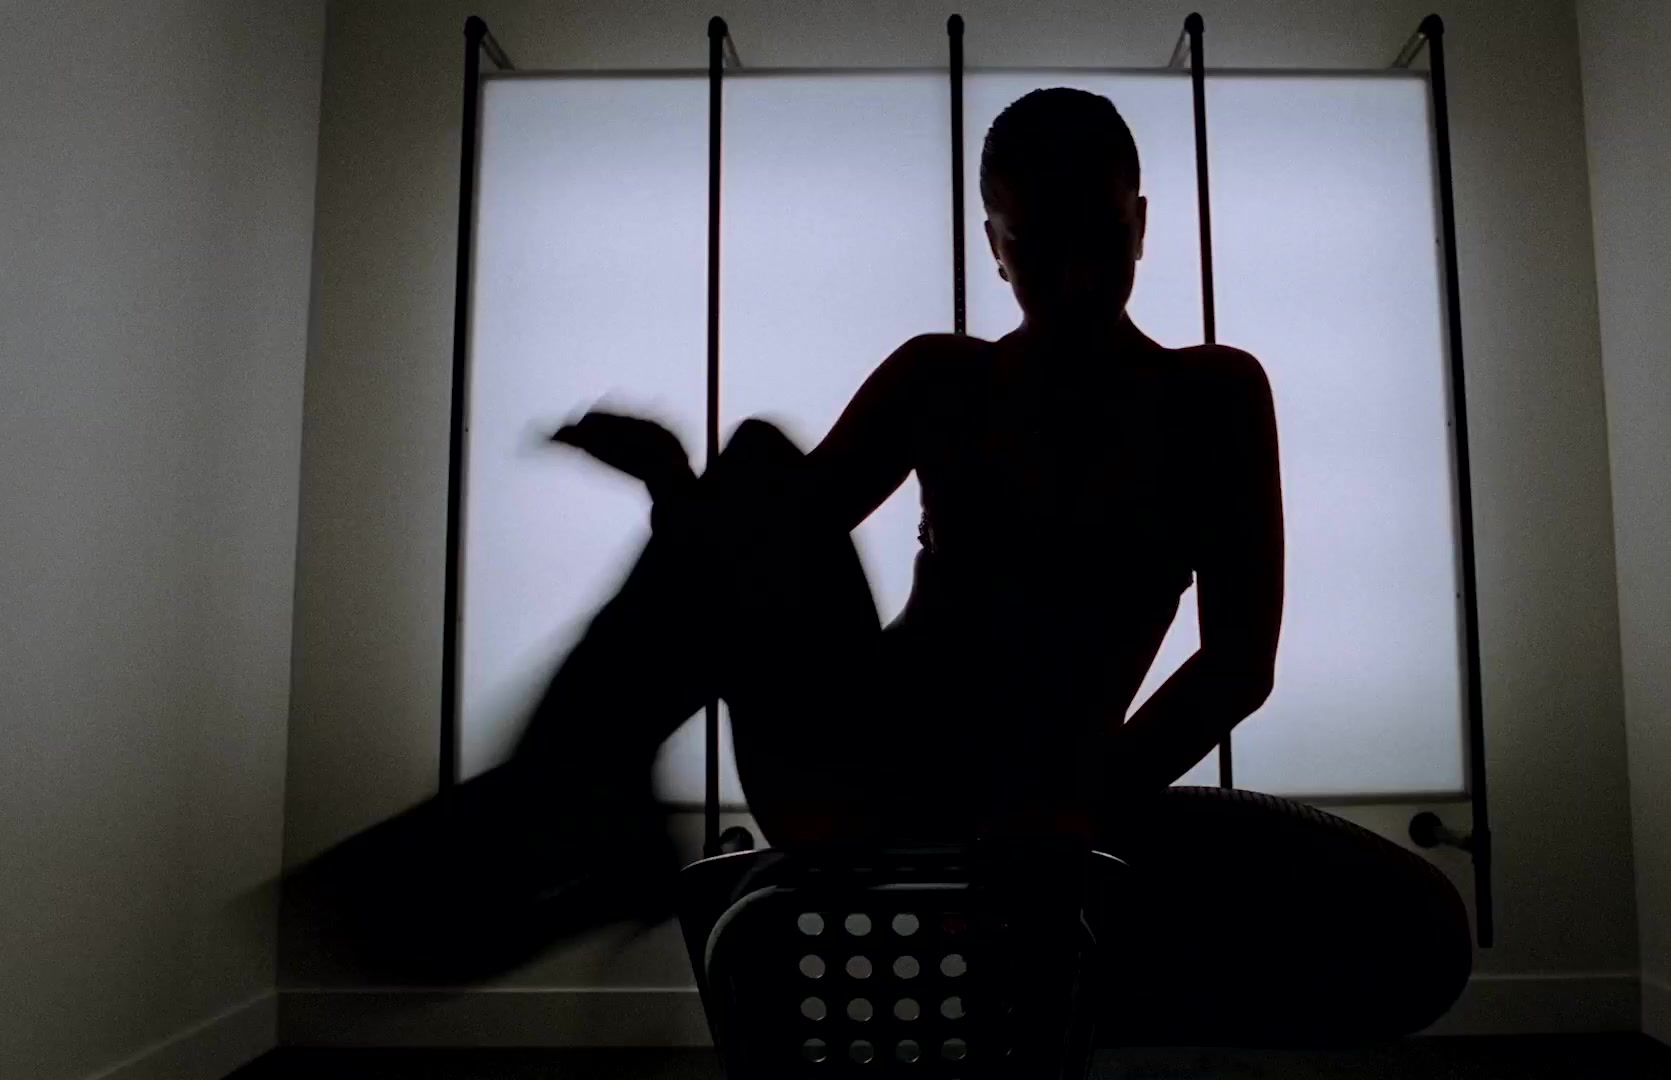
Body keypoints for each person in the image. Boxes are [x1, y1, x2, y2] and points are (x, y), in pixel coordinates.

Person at [298, 88, 1469, 1044]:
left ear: (1143, 222)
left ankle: (583, 826)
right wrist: (675, 489)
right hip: (863, 768)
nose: (1071, 279)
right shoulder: (943, 378)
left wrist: (1078, 802)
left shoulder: (1214, 395)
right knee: (757, 462)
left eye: (1101, 238)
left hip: (1056, 794)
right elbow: (766, 558)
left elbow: (1236, 664)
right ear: (995, 247)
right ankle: (578, 812)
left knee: (1423, 934)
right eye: (1037, 246)